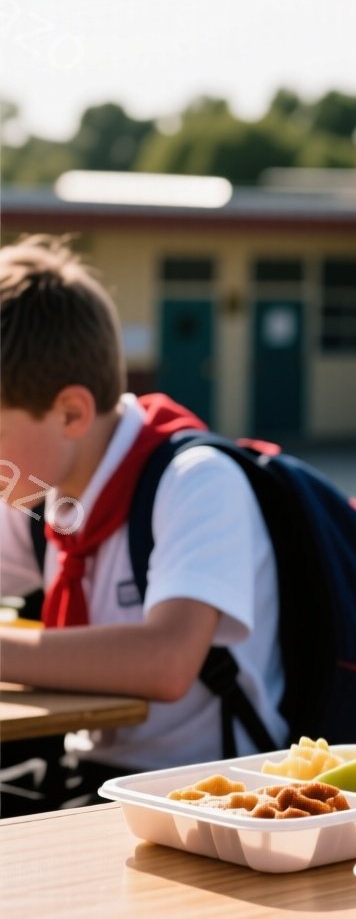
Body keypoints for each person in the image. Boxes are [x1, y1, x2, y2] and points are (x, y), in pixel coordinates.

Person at [0, 235, 283, 811]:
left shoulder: (195, 482)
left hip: (208, 796)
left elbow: (167, 661)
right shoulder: (41, 492)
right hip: (97, 776)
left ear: (71, 413)